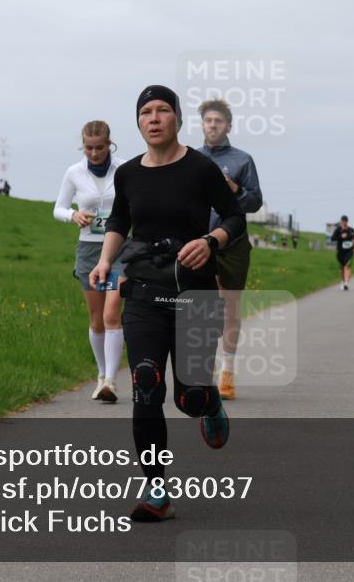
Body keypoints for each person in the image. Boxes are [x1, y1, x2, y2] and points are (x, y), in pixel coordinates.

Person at [90, 85, 245, 522]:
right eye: (145, 112)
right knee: (145, 384)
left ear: (177, 118)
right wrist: (105, 260)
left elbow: (235, 216)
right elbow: (121, 218)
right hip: (143, 290)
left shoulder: (200, 168)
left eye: (162, 110)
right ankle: (157, 490)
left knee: (188, 398)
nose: (154, 118)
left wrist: (211, 240)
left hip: (194, 291)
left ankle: (208, 401)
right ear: (138, 122)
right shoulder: (128, 174)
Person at [53, 121, 126, 403]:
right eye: (89, 148)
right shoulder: (74, 172)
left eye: (100, 147)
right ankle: (101, 374)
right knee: (96, 319)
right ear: (82, 146)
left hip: (119, 248)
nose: (94, 153)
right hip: (89, 250)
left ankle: (111, 381)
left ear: (110, 145)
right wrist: (73, 215)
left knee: (111, 314)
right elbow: (58, 207)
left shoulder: (125, 169)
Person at [197, 98, 264, 401]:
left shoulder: (243, 160)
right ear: (202, 124)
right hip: (201, 241)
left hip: (234, 243)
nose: (213, 125)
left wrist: (234, 188)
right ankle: (205, 371)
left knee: (229, 310)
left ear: (228, 126)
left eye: (218, 121)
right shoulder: (191, 159)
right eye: (209, 121)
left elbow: (255, 201)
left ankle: (227, 373)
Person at [330, 215, 354, 290]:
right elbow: (332, 238)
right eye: (343, 221)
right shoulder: (338, 230)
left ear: (347, 221)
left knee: (347, 266)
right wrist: (341, 237)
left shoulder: (351, 230)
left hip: (349, 251)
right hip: (340, 251)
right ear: (341, 221)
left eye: (345, 221)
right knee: (341, 269)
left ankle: (346, 283)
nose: (344, 222)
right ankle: (342, 281)